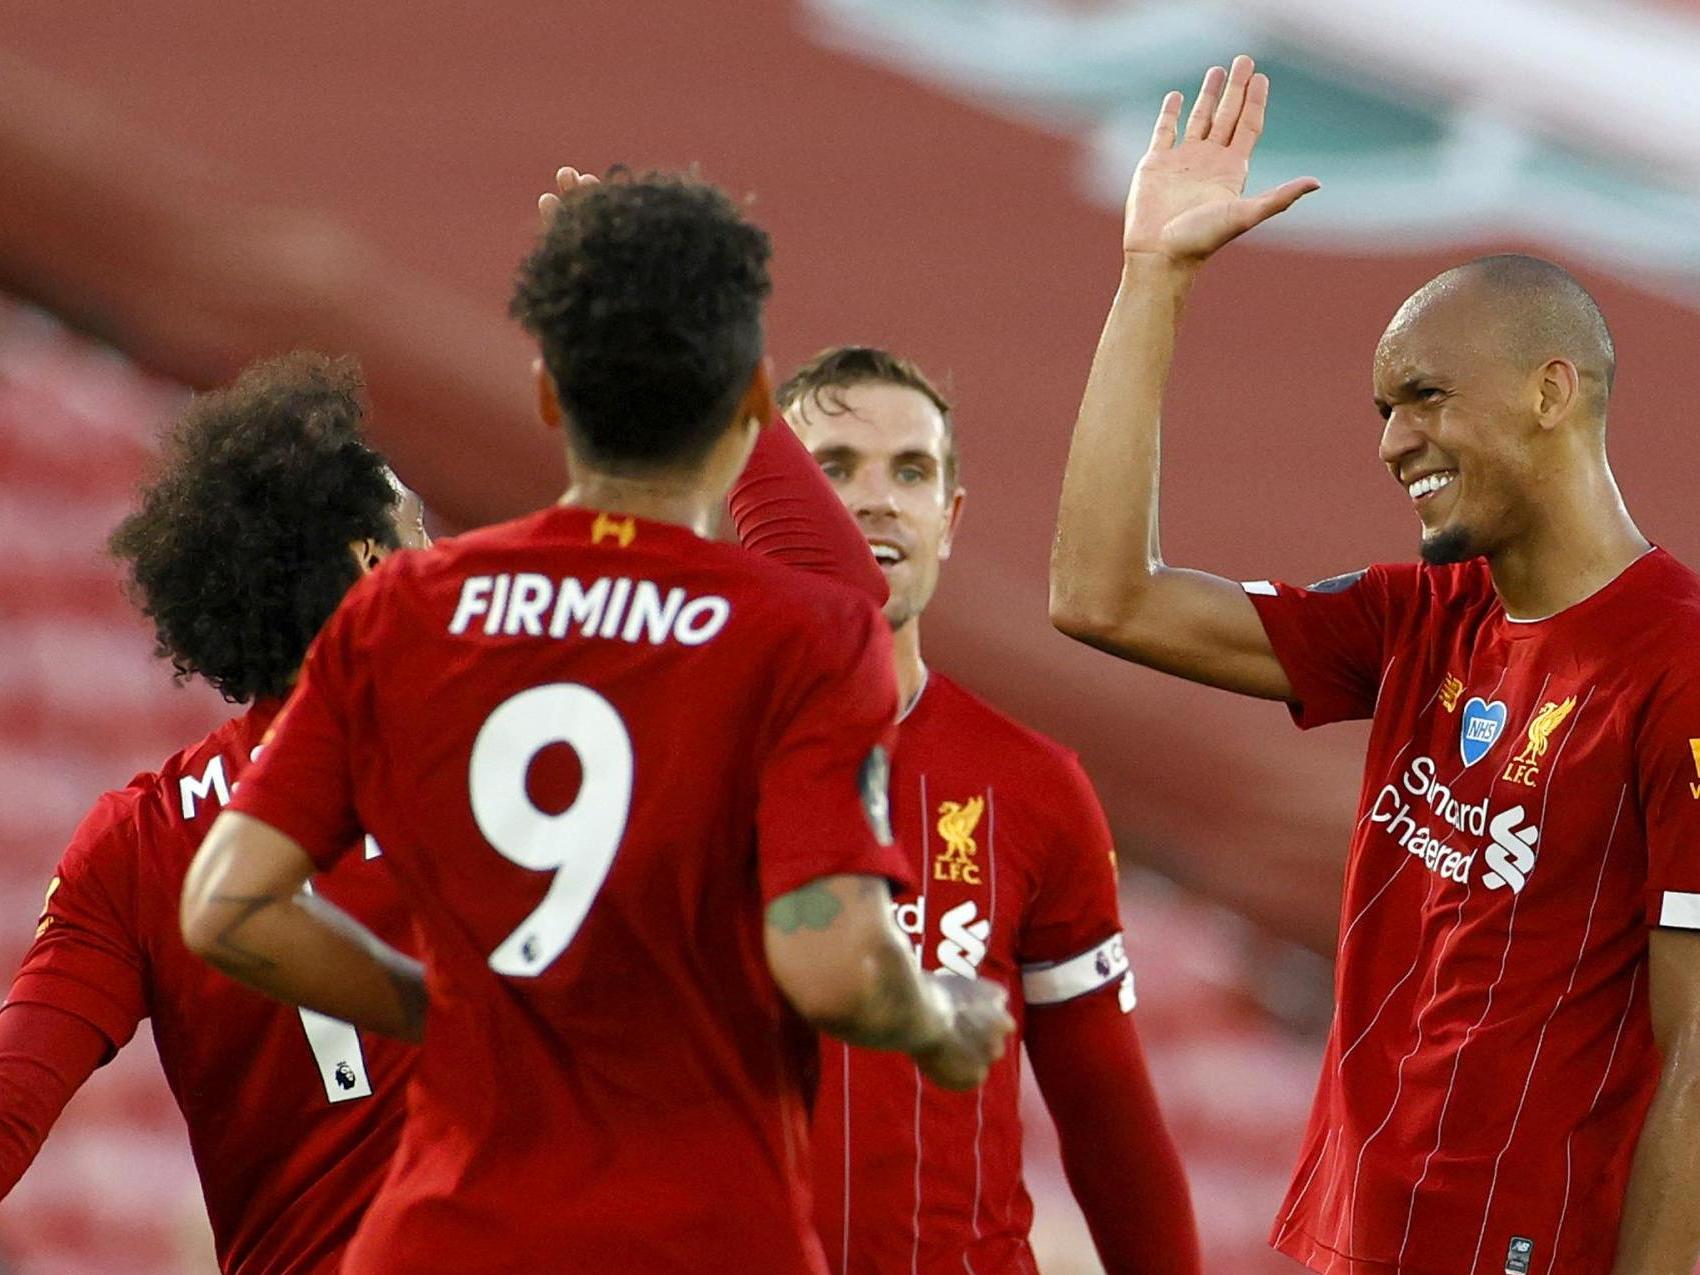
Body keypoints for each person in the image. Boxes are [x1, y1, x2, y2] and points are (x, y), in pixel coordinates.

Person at [179, 171, 1015, 1275]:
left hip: (441, 1237)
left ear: (544, 396)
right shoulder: (807, 635)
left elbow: (227, 908)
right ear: (755, 402)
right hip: (703, 1240)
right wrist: (937, 1022)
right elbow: (835, 968)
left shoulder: (406, 611)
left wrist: (448, 1013)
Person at [1049, 54, 1700, 1275]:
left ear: (1550, 392)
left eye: (1424, 398)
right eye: (1381, 412)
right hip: (1357, 1236)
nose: (1395, 442)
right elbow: (1101, 597)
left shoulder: (1678, 666)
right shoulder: (1423, 618)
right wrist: (1153, 280)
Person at [0, 352, 424, 1274]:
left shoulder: (139, 842)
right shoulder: (506, 762)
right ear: (373, 561)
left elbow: (10, 1102)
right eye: (419, 533)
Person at [781, 346, 1201, 1275]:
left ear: (950, 519)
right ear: (763, 509)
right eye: (836, 467)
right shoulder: (680, 758)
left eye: (912, 471)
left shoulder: (1035, 786)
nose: (878, 498)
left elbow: (1111, 1126)